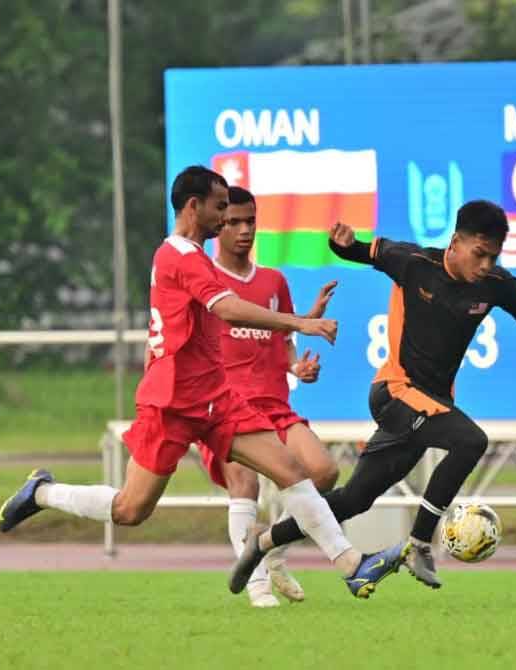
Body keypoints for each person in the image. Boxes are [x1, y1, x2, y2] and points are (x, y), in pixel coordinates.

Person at [0, 166, 402, 599]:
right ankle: (42, 493)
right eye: (221, 208)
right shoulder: (180, 256)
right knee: (131, 509)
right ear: (194, 206)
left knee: (292, 470)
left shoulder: (193, 256)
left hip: (215, 397)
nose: (227, 218)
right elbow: (228, 309)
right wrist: (301, 322)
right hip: (171, 402)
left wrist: (291, 341)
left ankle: (351, 565)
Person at [228, 199, 516, 593]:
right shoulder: (412, 262)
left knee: (355, 499)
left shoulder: (496, 285)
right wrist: (343, 244)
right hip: (395, 392)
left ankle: (265, 540)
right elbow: (357, 251)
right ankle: (421, 543)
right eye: (480, 254)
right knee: (471, 441)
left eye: (493, 256)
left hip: (431, 405)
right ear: (456, 242)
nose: (486, 265)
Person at [207, 185, 340, 607]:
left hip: (274, 406)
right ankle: (258, 588)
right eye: (233, 222)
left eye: (250, 221)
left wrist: (297, 367)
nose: (244, 231)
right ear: (217, 226)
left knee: (324, 472)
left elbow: (280, 341)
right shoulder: (205, 281)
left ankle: (273, 551)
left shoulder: (272, 281)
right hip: (226, 407)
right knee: (243, 482)